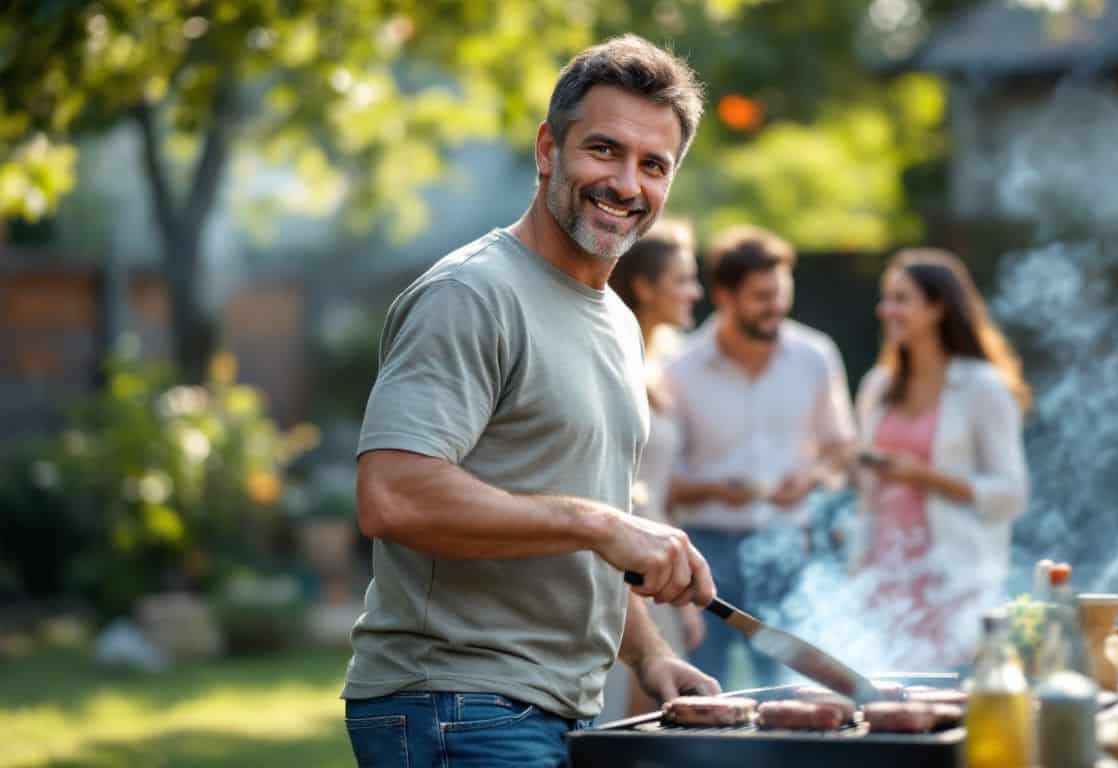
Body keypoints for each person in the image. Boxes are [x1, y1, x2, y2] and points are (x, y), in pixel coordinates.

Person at [344, 35, 719, 768]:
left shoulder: (614, 319)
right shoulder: (471, 295)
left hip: (546, 707)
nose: (625, 183)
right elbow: (391, 496)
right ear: (549, 148)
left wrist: (647, 656)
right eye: (604, 151)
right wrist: (601, 523)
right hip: (454, 703)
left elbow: (580, 530)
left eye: (653, 165)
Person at [663, 225, 855, 687]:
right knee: (704, 690)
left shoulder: (815, 356)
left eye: (781, 295)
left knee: (793, 692)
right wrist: (716, 490)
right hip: (705, 549)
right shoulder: (680, 370)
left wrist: (810, 479)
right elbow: (658, 477)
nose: (775, 309)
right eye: (761, 297)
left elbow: (841, 451)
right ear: (725, 296)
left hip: (789, 547)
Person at [852, 247, 1031, 669]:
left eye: (901, 299)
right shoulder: (877, 386)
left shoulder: (983, 388)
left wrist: (925, 476)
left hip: (955, 576)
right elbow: (866, 491)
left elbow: (1011, 493)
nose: (886, 310)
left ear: (937, 308)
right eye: (886, 298)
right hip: (884, 575)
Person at [601, 218, 708, 720]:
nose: (696, 291)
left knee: (653, 716)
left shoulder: (660, 363)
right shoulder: (612, 357)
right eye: (683, 279)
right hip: (624, 561)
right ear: (643, 286)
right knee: (627, 719)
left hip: (657, 560)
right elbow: (627, 489)